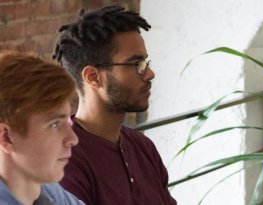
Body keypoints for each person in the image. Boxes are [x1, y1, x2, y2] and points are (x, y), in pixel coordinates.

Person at [51, 5, 176, 205]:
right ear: (93, 77)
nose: (149, 74)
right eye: (136, 64)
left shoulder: (142, 146)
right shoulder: (65, 158)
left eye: (145, 63)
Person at [0, 51, 84, 205]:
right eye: (54, 124)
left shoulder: (44, 188)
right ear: (6, 137)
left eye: (68, 122)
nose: (73, 139)